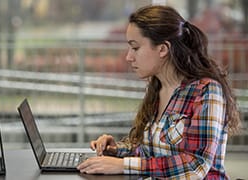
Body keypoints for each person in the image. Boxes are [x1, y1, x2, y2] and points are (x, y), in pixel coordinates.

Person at [77, 5, 241, 179]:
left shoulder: (207, 91)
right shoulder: (156, 87)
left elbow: (196, 165)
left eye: (135, 48)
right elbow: (149, 152)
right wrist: (116, 150)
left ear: (163, 49)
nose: (128, 57)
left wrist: (123, 165)